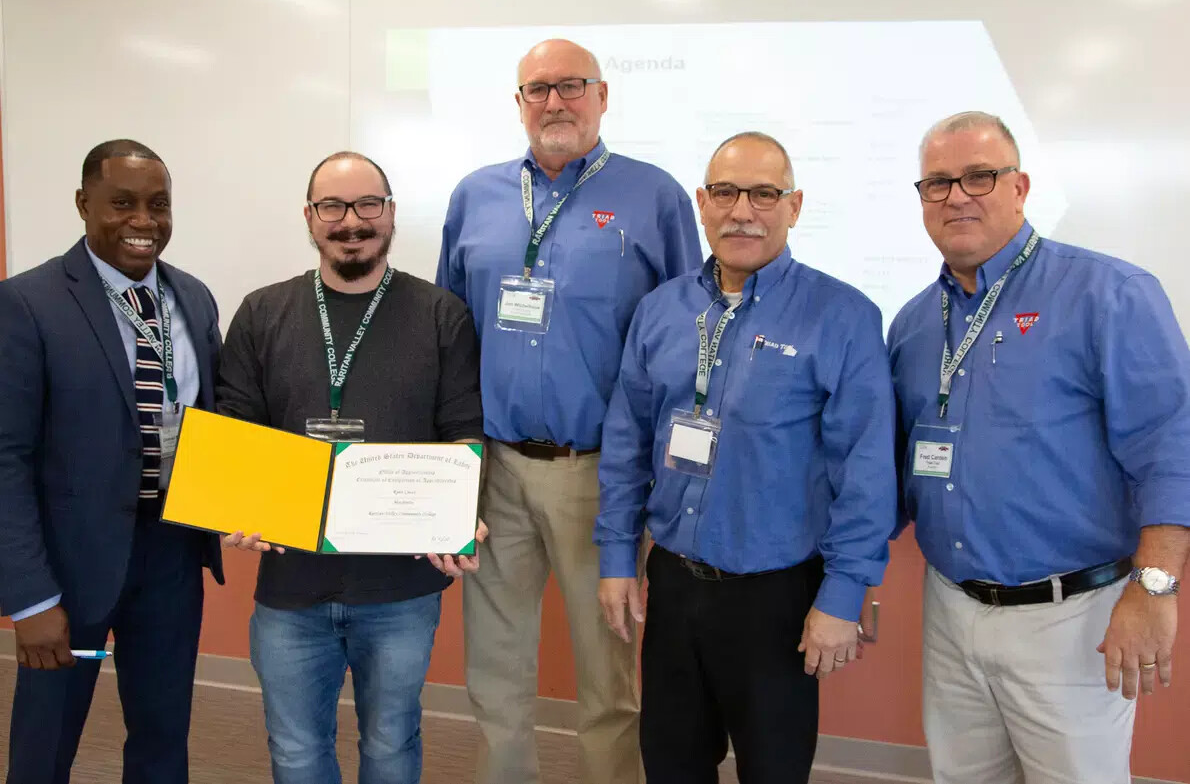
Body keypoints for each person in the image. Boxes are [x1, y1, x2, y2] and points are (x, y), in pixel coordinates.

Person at [887, 111, 1190, 784]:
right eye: (937, 182)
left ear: (1020, 187)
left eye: (979, 176)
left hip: (1071, 619)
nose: (957, 195)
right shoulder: (911, 324)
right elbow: (895, 469)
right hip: (951, 608)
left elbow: (1172, 444)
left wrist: (1156, 587)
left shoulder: (1110, 294)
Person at [436, 38, 703, 784]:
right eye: (537, 89)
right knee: (494, 673)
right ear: (518, 102)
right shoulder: (475, 195)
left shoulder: (656, 196)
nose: (555, 102)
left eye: (571, 86)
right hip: (493, 470)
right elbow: (450, 337)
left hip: (601, 477)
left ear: (603, 95)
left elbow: (690, 340)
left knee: (608, 681)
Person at [595, 131, 895, 784]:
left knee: (774, 771)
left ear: (795, 205)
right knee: (671, 765)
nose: (742, 210)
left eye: (764, 193)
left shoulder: (841, 316)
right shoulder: (661, 310)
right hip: (672, 585)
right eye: (726, 192)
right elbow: (625, 444)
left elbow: (865, 470)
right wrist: (617, 556)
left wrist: (843, 595)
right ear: (701, 202)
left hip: (778, 598)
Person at [217, 151, 486, 784]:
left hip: (399, 592)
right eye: (332, 207)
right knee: (295, 752)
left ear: (390, 214)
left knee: (391, 746)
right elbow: (237, 428)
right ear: (310, 218)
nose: (351, 221)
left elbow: (462, 430)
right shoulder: (261, 313)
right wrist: (234, 507)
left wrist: (461, 516)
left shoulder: (440, 314)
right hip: (290, 587)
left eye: (367, 204)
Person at [0, 139, 224, 784]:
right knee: (46, 745)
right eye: (122, 203)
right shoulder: (28, 303)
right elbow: (6, 459)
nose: (143, 221)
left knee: (161, 736)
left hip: (171, 556)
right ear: (83, 204)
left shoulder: (195, 298)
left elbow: (211, 422)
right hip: (69, 568)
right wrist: (30, 598)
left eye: (158, 205)